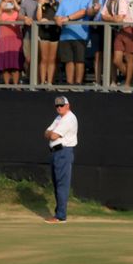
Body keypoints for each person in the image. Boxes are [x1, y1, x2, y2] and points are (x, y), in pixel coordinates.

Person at [43, 96, 79, 224]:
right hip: (55, 153)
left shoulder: (69, 118)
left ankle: (60, 216)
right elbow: (46, 132)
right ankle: (59, 214)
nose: (59, 108)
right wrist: (50, 134)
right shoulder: (59, 118)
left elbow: (53, 135)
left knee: (62, 185)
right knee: (57, 185)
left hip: (63, 152)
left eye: (61, 105)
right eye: (57, 106)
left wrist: (51, 134)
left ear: (68, 105)